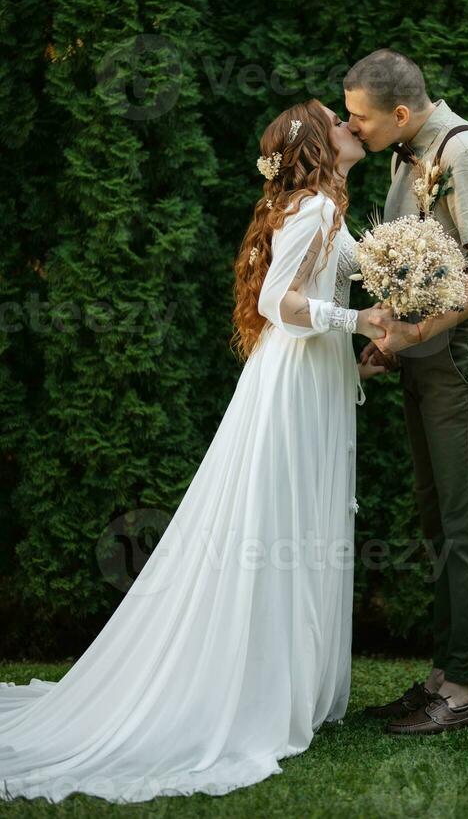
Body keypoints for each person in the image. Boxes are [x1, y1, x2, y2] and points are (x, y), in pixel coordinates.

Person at [0, 97, 388, 804]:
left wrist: (394, 292)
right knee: (280, 524)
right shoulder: (311, 210)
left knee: (305, 525)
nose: (348, 124)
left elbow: (336, 281)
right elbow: (278, 300)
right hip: (293, 386)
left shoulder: (323, 208)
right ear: (316, 144)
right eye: (337, 119)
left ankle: (296, 681)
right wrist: (357, 319)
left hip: (317, 378)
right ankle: (263, 690)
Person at [345, 49, 468, 736]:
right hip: (426, 361)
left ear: (400, 114)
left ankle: (466, 688)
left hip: (467, 365)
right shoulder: (402, 154)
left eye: (359, 118)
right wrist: (395, 338)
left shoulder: (465, 154)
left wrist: (415, 335)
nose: (351, 127)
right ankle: (443, 676)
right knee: (439, 524)